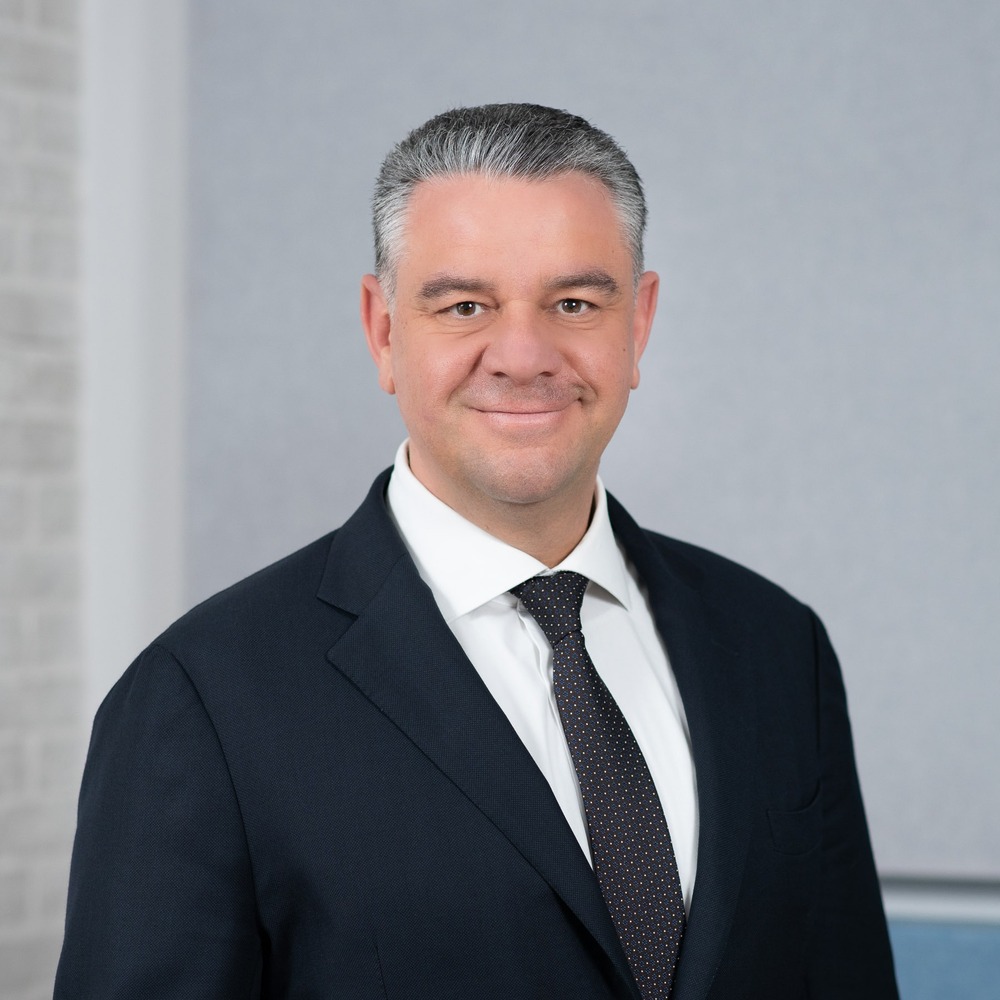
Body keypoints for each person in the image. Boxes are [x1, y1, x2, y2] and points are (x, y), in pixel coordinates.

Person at [55, 104, 899, 999]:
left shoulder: (776, 646)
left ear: (639, 325)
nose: (524, 356)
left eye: (574, 304)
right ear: (384, 331)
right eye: (465, 306)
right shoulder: (202, 699)